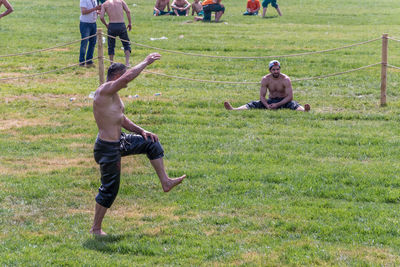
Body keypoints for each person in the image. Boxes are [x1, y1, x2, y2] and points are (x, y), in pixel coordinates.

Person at [90, 53, 186, 236]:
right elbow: (129, 76)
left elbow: (121, 118)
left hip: (121, 141)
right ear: (117, 77)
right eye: (123, 77)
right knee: (110, 189)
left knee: (151, 143)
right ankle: (96, 228)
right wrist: (146, 62)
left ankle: (165, 182)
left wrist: (142, 131)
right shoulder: (104, 91)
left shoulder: (114, 95)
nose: (127, 83)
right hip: (107, 148)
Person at [224, 60, 310, 112]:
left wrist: (278, 104)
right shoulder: (265, 79)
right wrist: (266, 105)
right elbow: (262, 96)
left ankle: (304, 110)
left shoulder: (285, 79)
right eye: (274, 70)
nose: (276, 71)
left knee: (293, 104)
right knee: (254, 104)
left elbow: (290, 97)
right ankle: (234, 109)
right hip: (271, 101)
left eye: (278, 69)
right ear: (270, 70)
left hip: (283, 101)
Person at [100, 0, 132, 67]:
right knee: (126, 44)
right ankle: (127, 63)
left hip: (112, 25)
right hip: (121, 25)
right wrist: (129, 23)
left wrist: (106, 24)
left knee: (111, 46)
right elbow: (128, 11)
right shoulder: (121, 1)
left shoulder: (105, 4)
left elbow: (101, 17)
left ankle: (111, 64)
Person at [79, 0, 101, 67]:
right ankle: (82, 61)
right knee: (84, 43)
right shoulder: (83, 0)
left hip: (93, 23)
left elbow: (93, 10)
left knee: (93, 42)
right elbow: (83, 12)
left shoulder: (94, 0)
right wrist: (95, 8)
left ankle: (89, 61)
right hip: (85, 24)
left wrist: (97, 12)